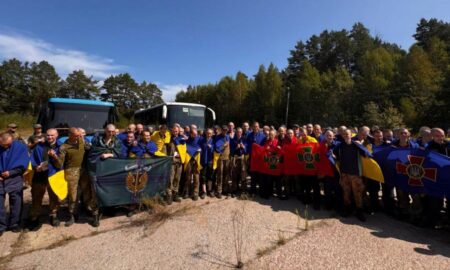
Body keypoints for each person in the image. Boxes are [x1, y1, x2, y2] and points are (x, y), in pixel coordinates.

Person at [27, 128, 63, 230]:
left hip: (54, 176)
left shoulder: (61, 147)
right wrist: (35, 167)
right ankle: (34, 217)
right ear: (45, 136)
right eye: (48, 135)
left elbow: (61, 165)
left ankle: (53, 215)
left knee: (54, 197)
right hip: (39, 176)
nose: (50, 137)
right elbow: (32, 160)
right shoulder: (39, 146)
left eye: (52, 135)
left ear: (57, 135)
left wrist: (55, 157)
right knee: (36, 197)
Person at [333, 129, 371, 221]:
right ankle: (348, 210)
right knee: (346, 193)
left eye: (347, 134)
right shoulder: (340, 145)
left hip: (355, 174)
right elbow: (336, 155)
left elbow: (367, 154)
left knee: (357, 194)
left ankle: (359, 212)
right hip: (344, 174)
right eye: (344, 134)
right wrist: (334, 156)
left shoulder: (356, 144)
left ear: (351, 135)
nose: (346, 135)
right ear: (342, 136)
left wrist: (361, 146)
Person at [57, 127, 89, 226]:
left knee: (86, 190)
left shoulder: (81, 141)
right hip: (71, 171)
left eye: (80, 135)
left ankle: (88, 209)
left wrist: (83, 140)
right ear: (70, 135)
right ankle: (72, 214)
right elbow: (59, 163)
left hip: (83, 170)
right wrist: (55, 157)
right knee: (72, 194)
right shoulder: (64, 147)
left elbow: (89, 148)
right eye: (76, 135)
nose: (78, 137)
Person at [0, 132, 29, 235]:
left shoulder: (20, 147)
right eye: (3, 145)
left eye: (8, 145)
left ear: (11, 140)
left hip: (15, 178)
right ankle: (1, 226)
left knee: (16, 202)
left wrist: (11, 172)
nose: (6, 147)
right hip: (0, 180)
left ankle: (14, 224)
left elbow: (23, 164)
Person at [424, 128, 449, 228]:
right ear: (432, 136)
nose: (440, 138)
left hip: (448, 178)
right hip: (434, 178)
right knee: (435, 202)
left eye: (442, 135)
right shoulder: (428, 147)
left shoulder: (448, 145)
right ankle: (432, 222)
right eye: (438, 136)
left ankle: (446, 222)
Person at [318, 130, 341, 211]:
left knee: (337, 189)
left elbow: (343, 157)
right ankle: (328, 205)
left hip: (336, 171)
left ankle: (339, 206)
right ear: (324, 136)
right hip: (326, 171)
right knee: (327, 189)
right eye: (327, 135)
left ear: (333, 136)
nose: (329, 137)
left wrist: (336, 157)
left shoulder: (338, 144)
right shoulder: (321, 145)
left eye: (330, 135)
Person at [165, 124, 185, 204]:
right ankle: (169, 195)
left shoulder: (181, 139)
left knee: (177, 178)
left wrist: (181, 155)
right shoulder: (168, 139)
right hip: (171, 162)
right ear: (172, 130)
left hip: (179, 162)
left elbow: (184, 150)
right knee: (170, 179)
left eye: (177, 131)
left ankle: (175, 194)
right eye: (174, 131)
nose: (176, 132)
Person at [246, 122, 265, 195]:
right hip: (252, 157)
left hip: (260, 158)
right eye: (254, 126)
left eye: (257, 126)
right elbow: (247, 145)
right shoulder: (249, 135)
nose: (255, 127)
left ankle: (260, 190)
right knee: (253, 174)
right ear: (252, 127)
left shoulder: (263, 136)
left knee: (260, 175)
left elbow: (264, 147)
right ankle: (252, 190)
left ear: (259, 127)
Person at [183, 125, 201, 200]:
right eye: (194, 134)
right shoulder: (187, 139)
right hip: (189, 160)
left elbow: (204, 145)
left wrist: (201, 149)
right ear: (190, 134)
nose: (195, 135)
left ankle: (195, 193)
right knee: (188, 177)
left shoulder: (200, 138)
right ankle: (187, 192)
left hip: (196, 160)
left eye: (196, 134)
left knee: (196, 177)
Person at [214, 125, 231, 198]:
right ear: (221, 130)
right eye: (224, 130)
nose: (225, 131)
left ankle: (225, 189)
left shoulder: (228, 137)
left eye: (226, 130)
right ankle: (219, 191)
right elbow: (217, 149)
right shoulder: (217, 137)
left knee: (226, 174)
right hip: (220, 158)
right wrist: (224, 146)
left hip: (227, 158)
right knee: (220, 175)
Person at [230, 127, 247, 196]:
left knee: (243, 174)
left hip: (242, 157)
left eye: (240, 132)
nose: (239, 133)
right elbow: (231, 151)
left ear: (242, 132)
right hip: (235, 158)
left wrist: (244, 147)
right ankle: (234, 189)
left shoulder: (244, 139)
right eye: (237, 132)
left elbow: (247, 150)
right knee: (234, 174)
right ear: (236, 132)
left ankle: (243, 190)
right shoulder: (233, 140)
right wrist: (235, 148)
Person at [200, 128, 214, 199]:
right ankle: (204, 191)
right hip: (203, 161)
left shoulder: (213, 141)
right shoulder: (201, 140)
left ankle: (210, 190)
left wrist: (211, 147)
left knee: (210, 176)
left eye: (210, 133)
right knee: (203, 176)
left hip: (210, 161)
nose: (208, 134)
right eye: (207, 133)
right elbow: (197, 146)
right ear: (205, 133)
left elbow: (215, 149)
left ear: (212, 134)